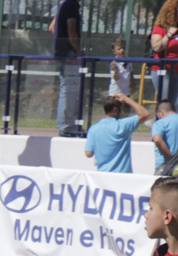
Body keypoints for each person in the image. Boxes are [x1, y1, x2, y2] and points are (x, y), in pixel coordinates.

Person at [84, 94, 151, 173]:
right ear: (115, 110)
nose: (123, 113)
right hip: (122, 176)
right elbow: (145, 114)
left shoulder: (94, 129)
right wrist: (127, 100)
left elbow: (88, 153)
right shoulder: (123, 125)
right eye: (122, 110)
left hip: (102, 176)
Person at [149, 0, 178, 111]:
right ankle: (160, 125)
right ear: (171, 12)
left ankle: (171, 127)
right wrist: (168, 35)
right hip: (162, 69)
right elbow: (157, 47)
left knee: (177, 103)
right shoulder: (160, 29)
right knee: (165, 103)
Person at [50, 0, 84, 137]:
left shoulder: (63, 5)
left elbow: (52, 27)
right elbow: (71, 29)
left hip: (62, 53)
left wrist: (60, 41)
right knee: (69, 89)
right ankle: (66, 127)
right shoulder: (71, 5)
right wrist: (77, 50)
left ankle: (68, 125)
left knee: (68, 88)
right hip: (69, 54)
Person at [151, 100, 178, 174]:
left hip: (165, 166)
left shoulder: (160, 123)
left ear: (161, 113)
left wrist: (169, 156)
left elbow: (157, 140)